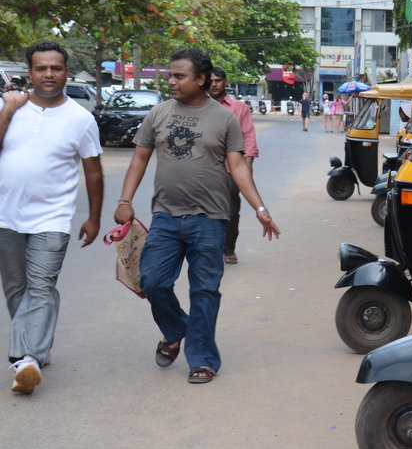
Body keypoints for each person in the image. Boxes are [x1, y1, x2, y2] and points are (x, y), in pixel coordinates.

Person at [113, 49, 280, 385]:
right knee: (153, 281)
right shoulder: (158, 114)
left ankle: (202, 358)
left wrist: (259, 209)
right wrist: (125, 200)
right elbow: (139, 160)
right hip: (166, 217)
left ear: (200, 79)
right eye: (170, 75)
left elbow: (237, 167)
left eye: (179, 76)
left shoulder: (225, 119)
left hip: (210, 219)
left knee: (205, 291)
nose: (171, 81)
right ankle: (177, 329)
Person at [0, 41, 103, 395]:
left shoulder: (80, 118)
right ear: (29, 73)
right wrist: (8, 111)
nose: (48, 74)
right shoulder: (10, 107)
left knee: (40, 286)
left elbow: (93, 172)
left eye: (55, 68)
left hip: (52, 218)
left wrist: (93, 217)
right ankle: (34, 350)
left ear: (65, 72)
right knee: (16, 289)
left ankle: (27, 357)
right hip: (6, 215)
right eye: (41, 68)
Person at [209, 66, 258, 265]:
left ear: (225, 82)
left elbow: (248, 136)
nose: (214, 84)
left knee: (230, 212)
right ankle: (209, 249)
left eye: (218, 80)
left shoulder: (239, 108)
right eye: (210, 80)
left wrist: (247, 164)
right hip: (205, 168)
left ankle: (229, 249)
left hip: (231, 169)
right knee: (204, 212)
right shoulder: (198, 106)